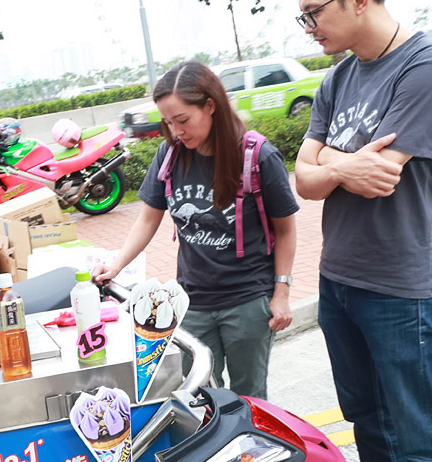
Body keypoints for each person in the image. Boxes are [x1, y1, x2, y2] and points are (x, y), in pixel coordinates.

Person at [291, 0, 432, 462]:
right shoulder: (338, 77)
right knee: (365, 414)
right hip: (340, 279)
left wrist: (329, 159)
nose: (309, 27)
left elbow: (380, 175)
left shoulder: (428, 67)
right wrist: (336, 163)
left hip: (401, 286)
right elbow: (302, 179)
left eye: (314, 12)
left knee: (422, 431)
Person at [93, 60, 298, 399]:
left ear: (210, 106)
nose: (176, 131)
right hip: (192, 302)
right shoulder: (170, 155)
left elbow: (287, 230)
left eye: (183, 120)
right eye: (168, 123)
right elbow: (148, 218)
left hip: (247, 302)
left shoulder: (257, 156)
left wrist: (282, 294)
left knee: (249, 398)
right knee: (198, 398)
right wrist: (115, 266)